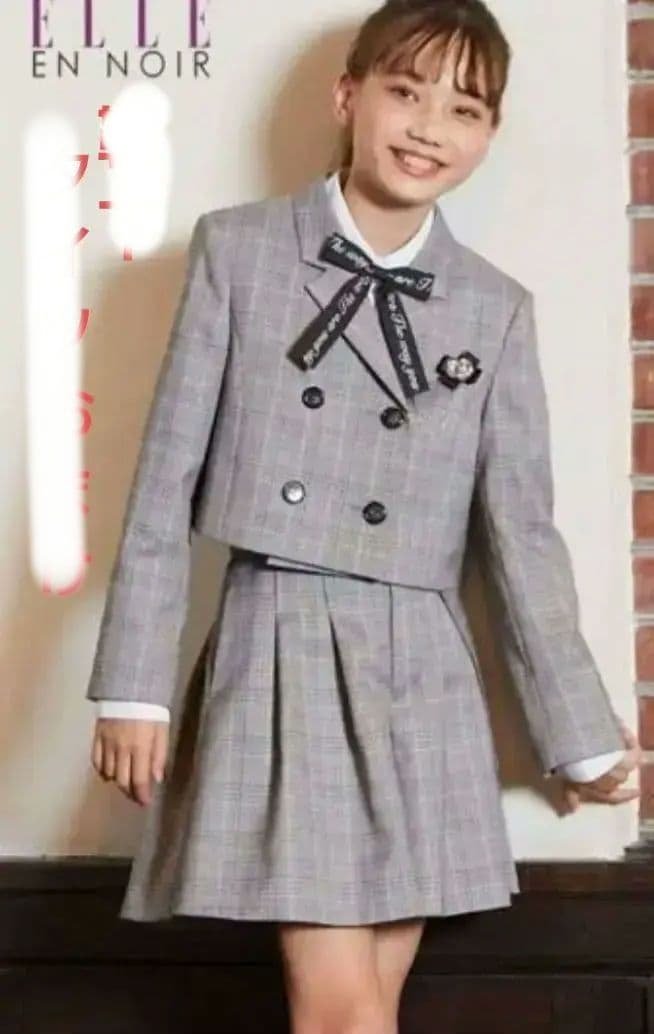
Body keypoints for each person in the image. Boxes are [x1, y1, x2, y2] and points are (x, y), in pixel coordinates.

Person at [86, 1, 642, 1031]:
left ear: (490, 134)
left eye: (465, 108)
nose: (430, 126)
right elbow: (164, 481)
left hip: (424, 666)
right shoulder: (240, 250)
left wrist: (578, 735)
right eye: (406, 91)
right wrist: (133, 687)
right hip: (283, 642)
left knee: (370, 1001)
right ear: (349, 96)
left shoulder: (494, 305)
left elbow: (521, 535)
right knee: (341, 1009)